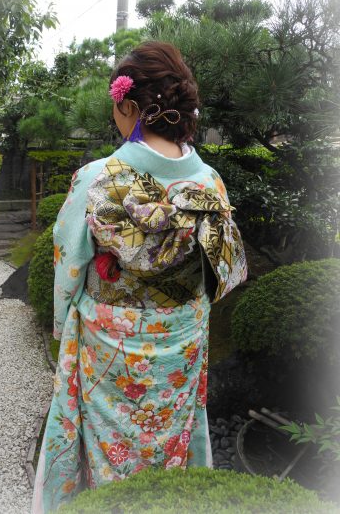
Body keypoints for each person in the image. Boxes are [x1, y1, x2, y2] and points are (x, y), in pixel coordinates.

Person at [31, 40, 248, 514]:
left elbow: (68, 267)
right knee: (172, 445)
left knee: (104, 452)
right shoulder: (210, 183)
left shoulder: (97, 178)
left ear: (129, 105)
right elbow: (216, 274)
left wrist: (63, 325)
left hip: (107, 346)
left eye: (115, 107)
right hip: (182, 341)